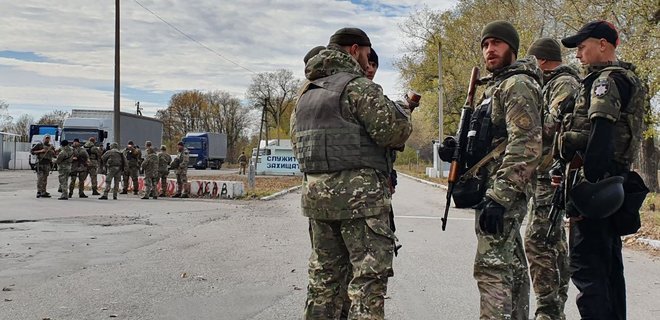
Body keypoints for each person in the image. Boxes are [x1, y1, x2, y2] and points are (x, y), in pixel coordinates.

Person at [292, 27, 413, 319]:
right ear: (354, 50)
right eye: (368, 55)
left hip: (318, 202)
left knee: (323, 282)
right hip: (360, 203)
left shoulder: (306, 94)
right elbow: (393, 132)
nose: (368, 61)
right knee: (367, 283)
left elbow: (298, 146)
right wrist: (405, 112)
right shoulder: (357, 86)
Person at [559, 20, 646, 320]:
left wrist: (584, 193)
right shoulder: (626, 78)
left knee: (588, 270)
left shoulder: (605, 81)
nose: (578, 54)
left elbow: (601, 135)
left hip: (597, 186)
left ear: (603, 44)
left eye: (582, 47)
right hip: (613, 184)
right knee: (610, 272)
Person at [460, 21, 542, 319]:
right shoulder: (497, 85)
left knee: (491, 268)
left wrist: (500, 196)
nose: (489, 50)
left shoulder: (517, 84)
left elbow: (527, 145)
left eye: (496, 43)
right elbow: (489, 137)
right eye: (485, 44)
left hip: (502, 190)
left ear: (512, 48)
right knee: (514, 267)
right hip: (494, 188)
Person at [524, 37, 581, 320]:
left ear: (541, 60)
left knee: (537, 240)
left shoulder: (564, 84)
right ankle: (554, 308)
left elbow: (550, 126)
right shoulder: (553, 83)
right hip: (546, 174)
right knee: (553, 240)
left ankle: (548, 310)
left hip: (554, 174)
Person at [30, 134, 56, 198]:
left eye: (48, 138)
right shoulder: (39, 145)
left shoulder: (51, 146)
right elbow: (32, 151)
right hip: (40, 163)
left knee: (45, 178)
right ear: (44, 139)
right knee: (40, 178)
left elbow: (55, 155)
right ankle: (39, 191)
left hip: (47, 164)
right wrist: (40, 151)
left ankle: (43, 191)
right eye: (46, 138)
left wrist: (53, 152)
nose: (47, 139)